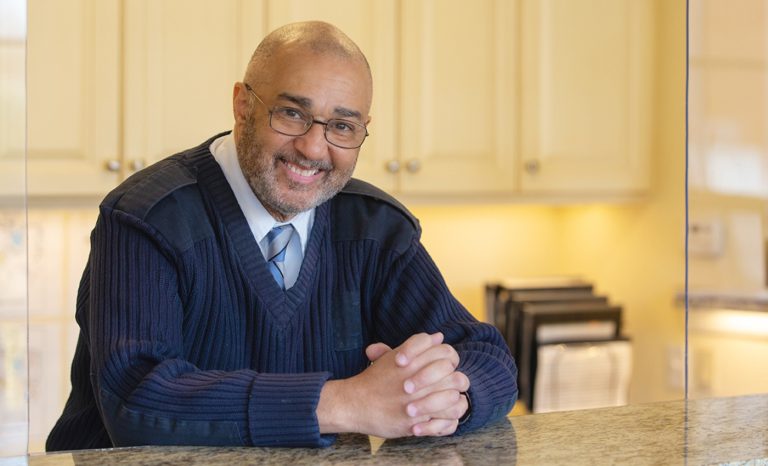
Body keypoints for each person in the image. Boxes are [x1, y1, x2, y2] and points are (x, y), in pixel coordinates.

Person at [46, 20, 518, 450]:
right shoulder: (147, 217)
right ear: (242, 105)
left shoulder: (375, 228)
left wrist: (446, 396)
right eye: (292, 113)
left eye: (342, 126)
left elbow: (487, 357)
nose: (313, 148)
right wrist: (346, 403)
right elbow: (137, 399)